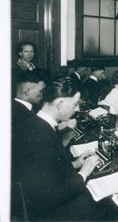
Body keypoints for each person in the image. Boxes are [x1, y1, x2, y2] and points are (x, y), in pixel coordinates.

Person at [12, 77, 101, 221]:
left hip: (37, 203)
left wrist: (75, 164)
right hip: (50, 214)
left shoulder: (35, 124)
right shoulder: (41, 136)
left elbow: (46, 170)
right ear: (59, 104)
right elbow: (50, 196)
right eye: (75, 104)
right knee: (101, 206)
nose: (77, 109)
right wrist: (83, 173)